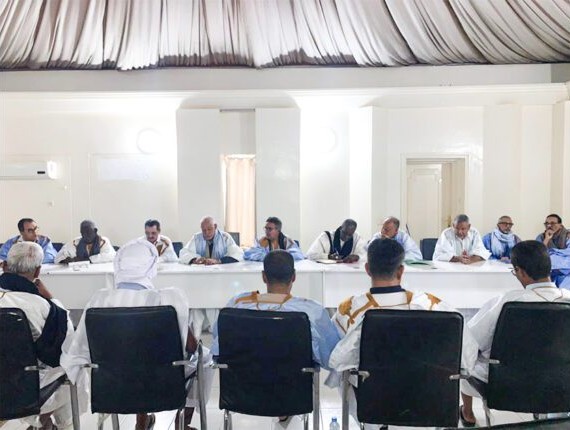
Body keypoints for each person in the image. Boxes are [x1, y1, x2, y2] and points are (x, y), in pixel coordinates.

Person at [61, 239, 212, 430]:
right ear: (151, 267)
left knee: (132, 360)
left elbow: (78, 350)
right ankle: (182, 423)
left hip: (113, 387)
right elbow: (191, 348)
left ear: (118, 266)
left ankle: (141, 420)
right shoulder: (169, 300)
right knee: (203, 357)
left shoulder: (100, 301)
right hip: (162, 385)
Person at [329, 238, 477, 429]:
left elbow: (335, 360)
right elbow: (468, 357)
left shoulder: (349, 311)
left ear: (367, 269)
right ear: (401, 271)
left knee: (345, 374)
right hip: (430, 402)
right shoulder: (435, 307)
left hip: (375, 405)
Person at [460, 241, 570, 427]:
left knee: (466, 354)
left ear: (520, 271)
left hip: (507, 386)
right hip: (561, 383)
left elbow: (471, 340)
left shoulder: (507, 302)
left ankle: (468, 414)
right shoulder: (567, 299)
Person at [211, 249, 339, 368]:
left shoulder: (237, 305)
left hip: (240, 382)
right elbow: (331, 357)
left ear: (264, 276)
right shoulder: (312, 311)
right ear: (294, 276)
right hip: (294, 383)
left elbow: (219, 338)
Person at [0, 242, 76, 430]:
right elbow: (64, 344)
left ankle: (44, 424)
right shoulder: (43, 306)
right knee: (72, 367)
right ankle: (53, 423)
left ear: (4, 266)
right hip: (24, 386)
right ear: (37, 271)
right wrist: (52, 300)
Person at [536, 214, 570, 289]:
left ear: (560, 225)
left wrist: (551, 252)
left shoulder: (567, 235)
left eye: (553, 223)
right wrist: (546, 239)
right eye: (546, 223)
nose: (549, 225)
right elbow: (537, 255)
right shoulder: (541, 237)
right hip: (548, 271)